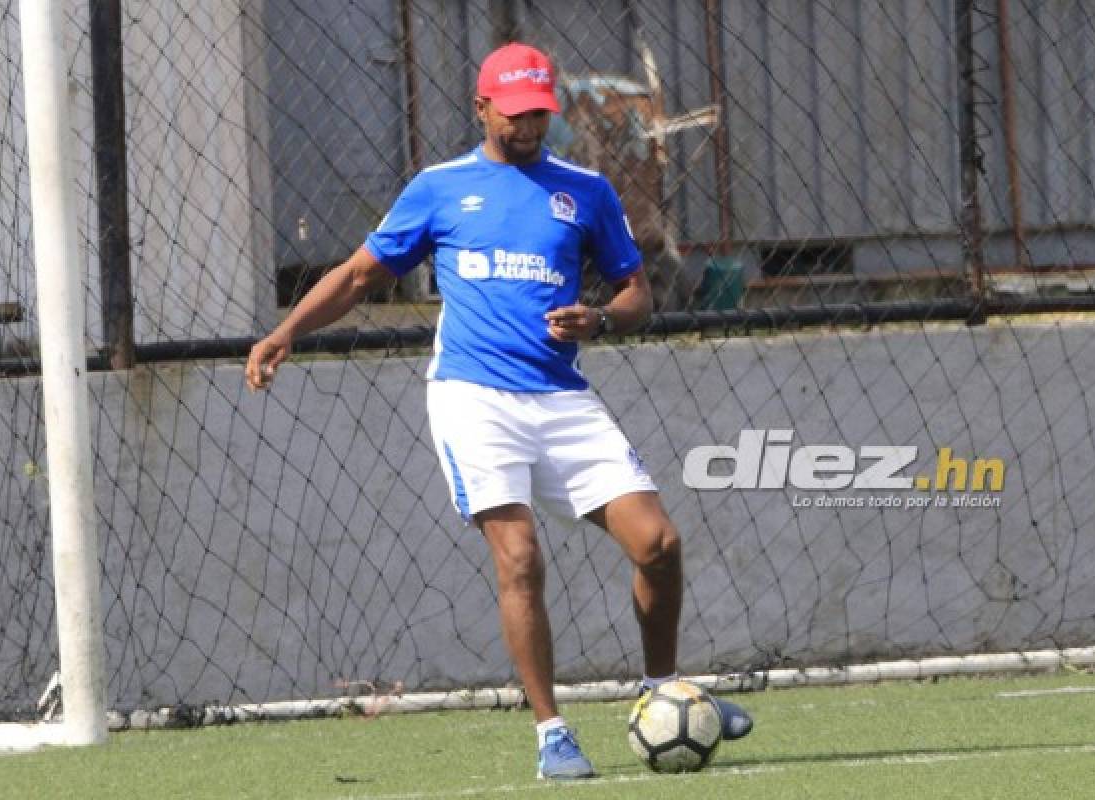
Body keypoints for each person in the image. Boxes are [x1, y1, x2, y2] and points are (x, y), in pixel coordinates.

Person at [245, 41, 752, 780]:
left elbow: (636, 292)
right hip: (474, 399)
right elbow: (358, 275)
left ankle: (659, 691)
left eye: (539, 113)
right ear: (481, 108)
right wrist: (287, 331)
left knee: (659, 544)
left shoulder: (586, 190)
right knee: (519, 559)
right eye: (513, 114)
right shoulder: (440, 188)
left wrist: (602, 319)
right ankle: (552, 733)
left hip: (562, 398)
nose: (527, 127)